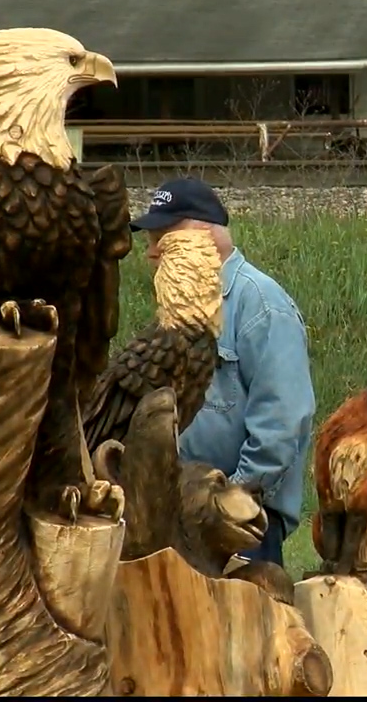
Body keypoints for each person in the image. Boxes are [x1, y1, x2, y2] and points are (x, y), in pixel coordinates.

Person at [130, 177, 315, 567]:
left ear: (203, 234)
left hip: (238, 525)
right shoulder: (180, 304)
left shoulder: (262, 305)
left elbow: (281, 425)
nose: (151, 253)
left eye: (163, 236)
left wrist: (228, 501)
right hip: (182, 515)